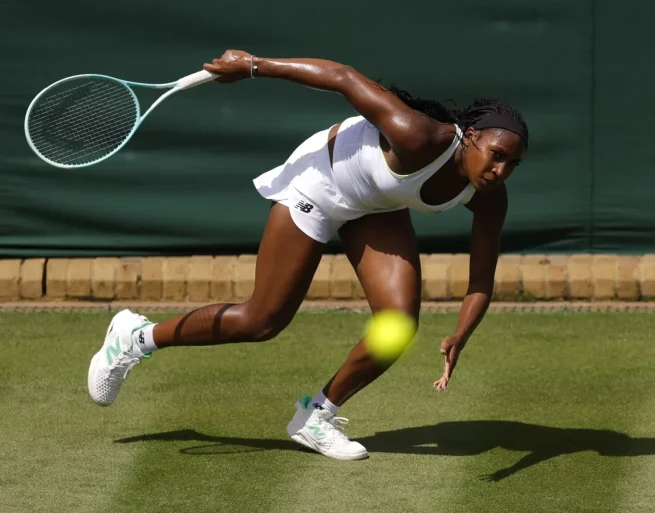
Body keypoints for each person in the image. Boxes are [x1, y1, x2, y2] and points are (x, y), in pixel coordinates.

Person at [87, 49, 528, 461]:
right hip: (319, 185)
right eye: (496, 155)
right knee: (261, 322)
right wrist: (254, 65)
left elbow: (480, 282)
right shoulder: (417, 135)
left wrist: (461, 334)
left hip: (376, 206)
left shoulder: (490, 197)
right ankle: (135, 338)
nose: (500, 170)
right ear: (470, 138)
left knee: (398, 324)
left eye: (512, 164)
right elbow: (341, 77)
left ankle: (316, 415)